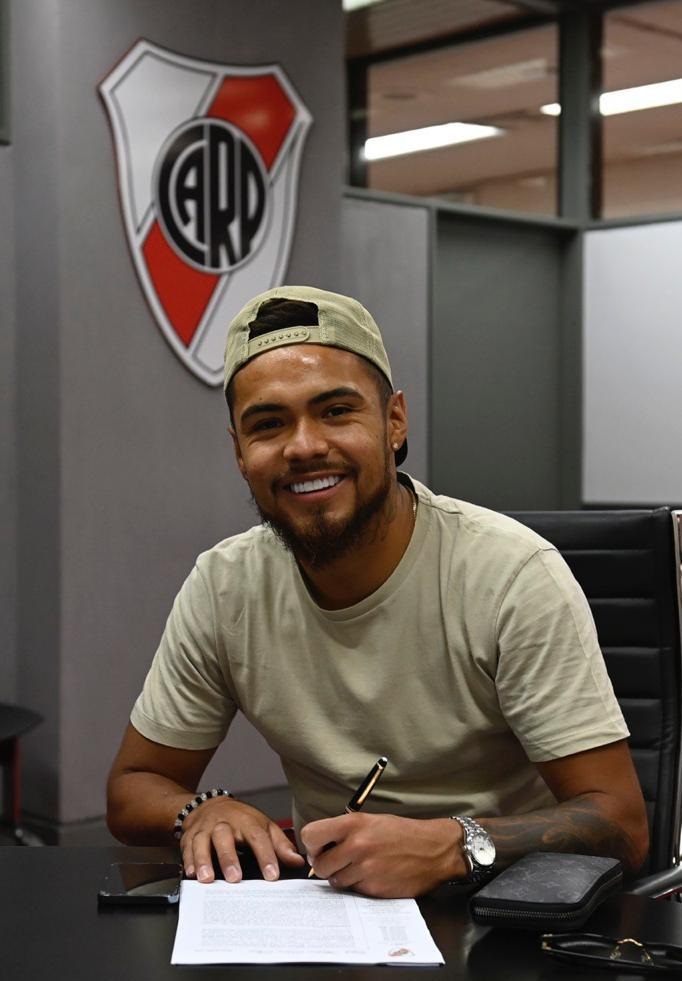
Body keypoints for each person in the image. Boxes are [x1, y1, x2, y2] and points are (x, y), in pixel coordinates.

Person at [107, 285, 649, 899]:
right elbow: (134, 785)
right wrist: (200, 811)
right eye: (269, 424)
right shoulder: (224, 585)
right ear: (239, 450)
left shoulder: (511, 575)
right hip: (331, 908)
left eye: (336, 411)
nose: (304, 446)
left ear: (394, 421)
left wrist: (451, 845)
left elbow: (622, 824)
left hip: (499, 911)